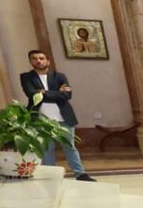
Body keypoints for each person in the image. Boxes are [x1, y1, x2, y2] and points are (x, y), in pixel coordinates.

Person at [19, 50, 93, 180]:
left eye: (41, 58)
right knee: (46, 149)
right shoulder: (26, 77)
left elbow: (67, 95)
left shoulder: (59, 76)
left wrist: (43, 93)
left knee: (70, 147)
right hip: (41, 119)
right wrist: (56, 93)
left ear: (48, 61)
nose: (38, 61)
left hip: (64, 117)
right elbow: (31, 94)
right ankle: (51, 176)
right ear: (30, 61)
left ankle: (80, 174)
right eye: (34, 58)